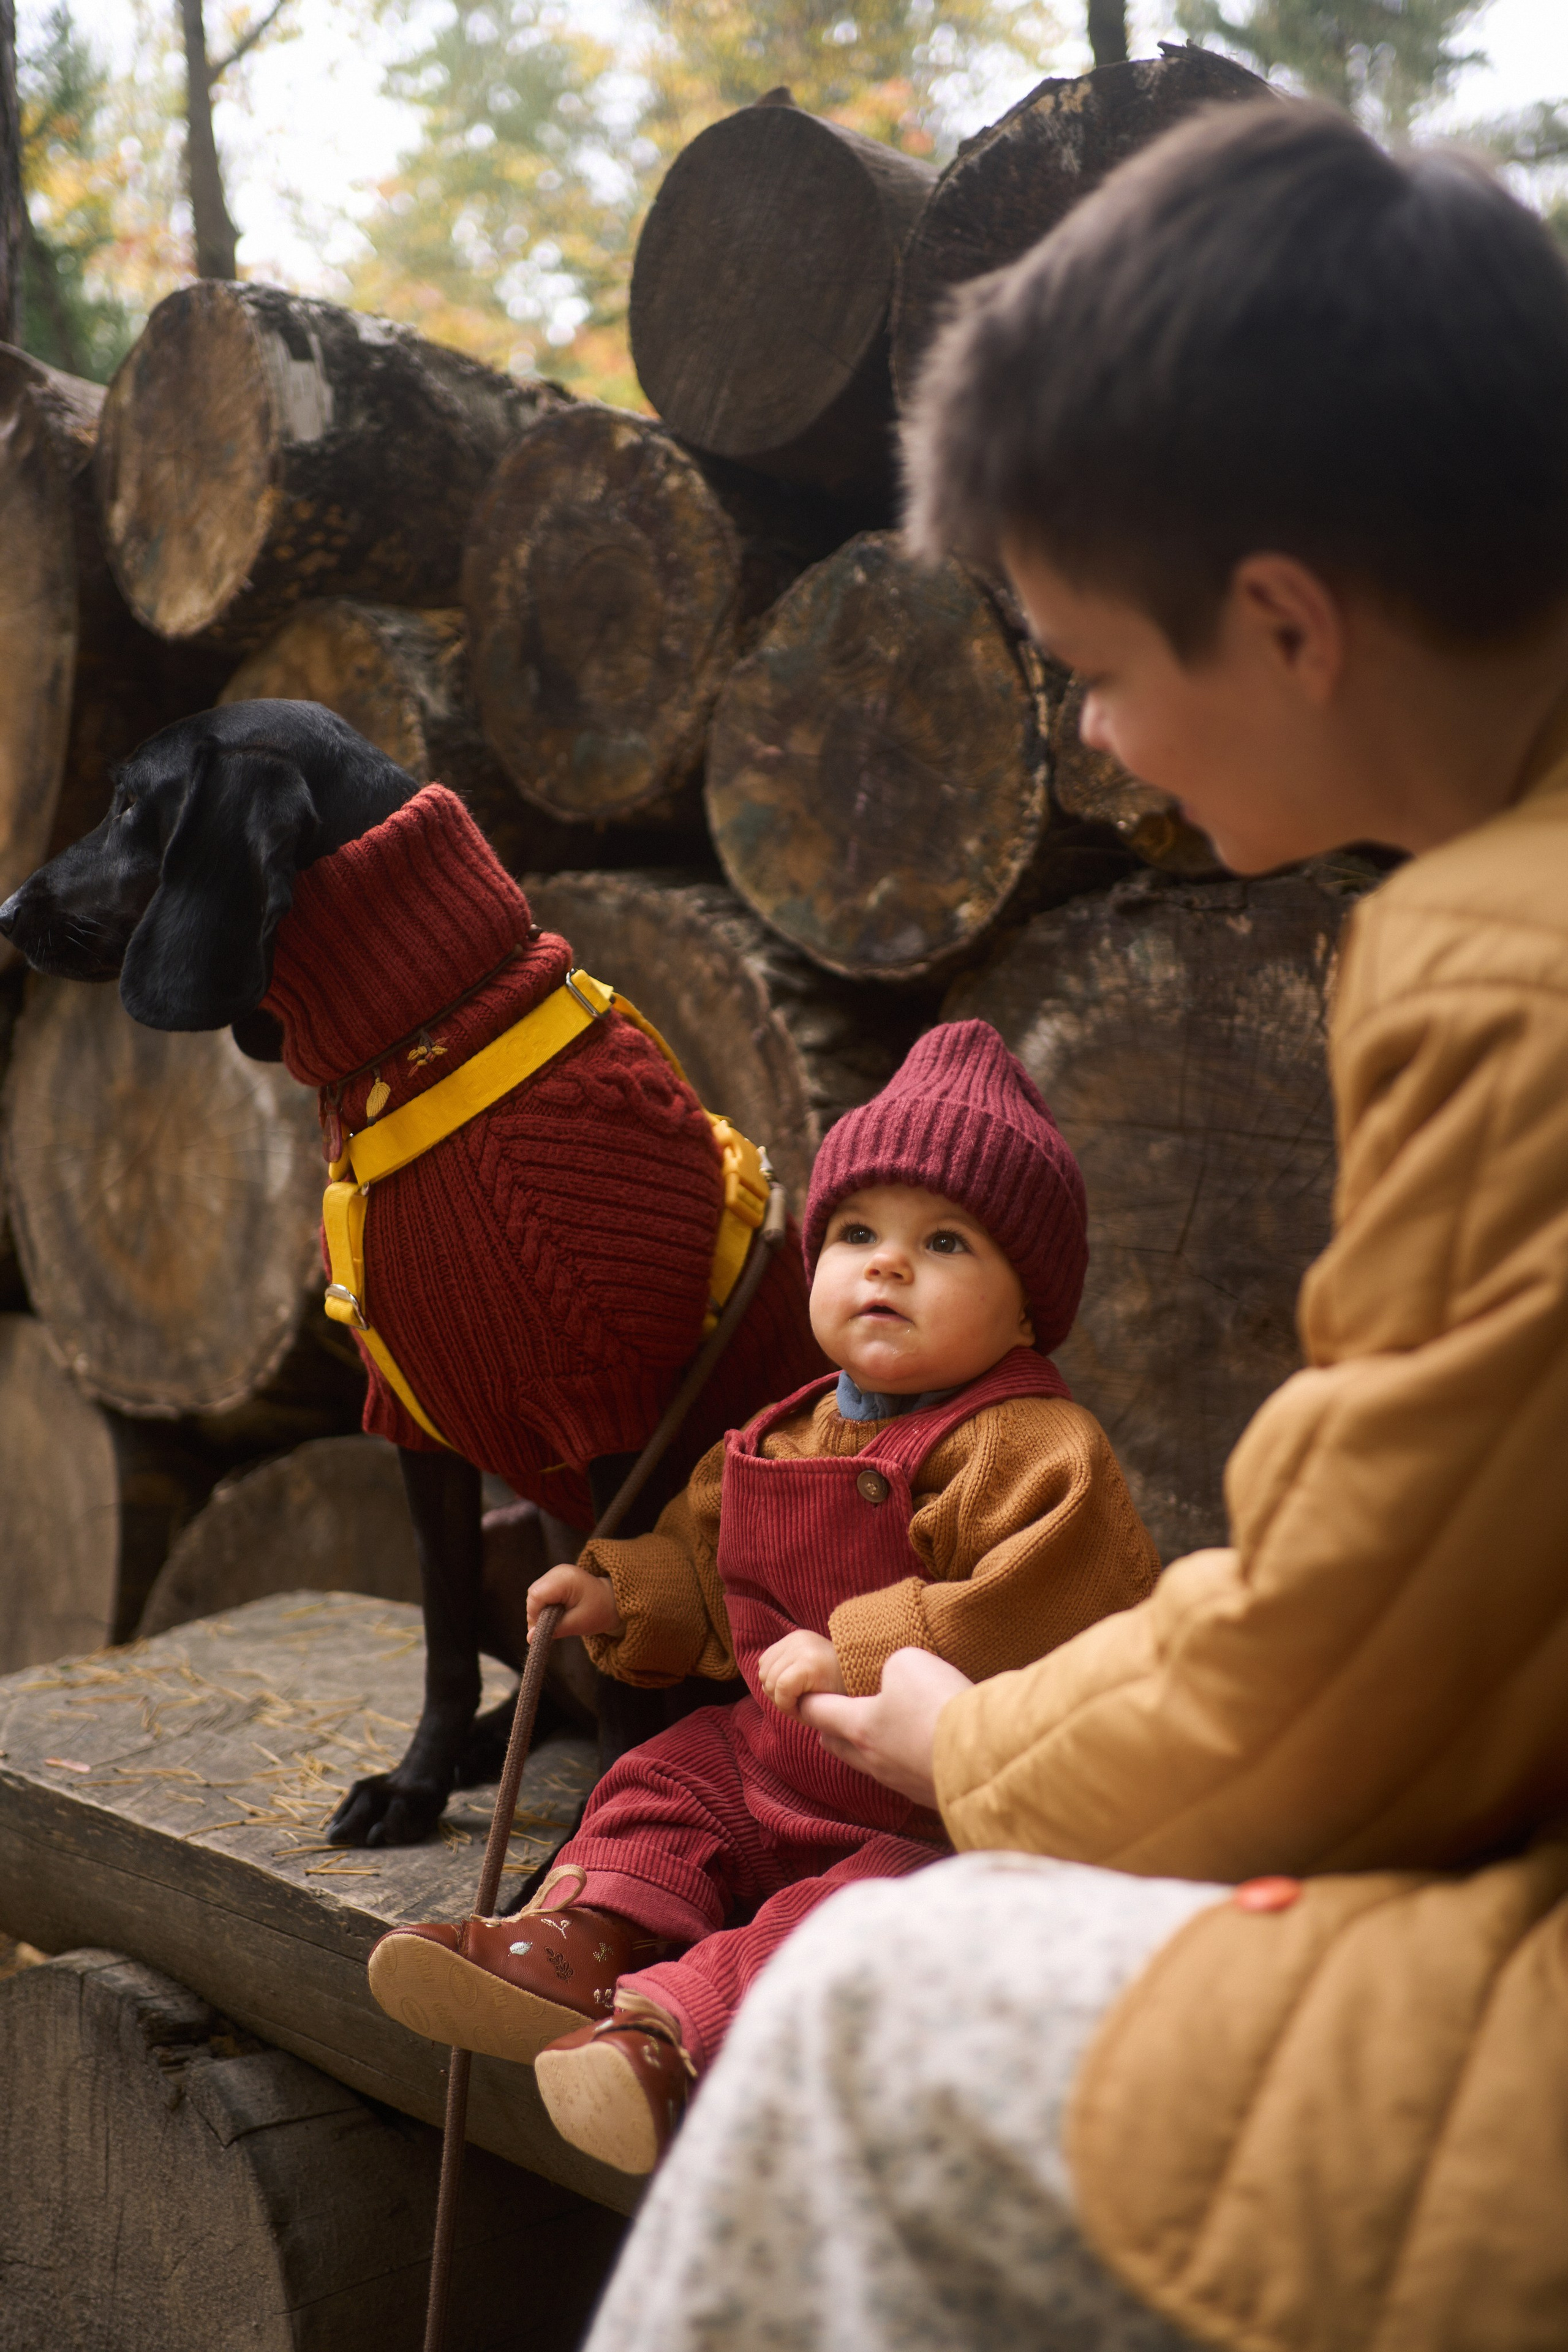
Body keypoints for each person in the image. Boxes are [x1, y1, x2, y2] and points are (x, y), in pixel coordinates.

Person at [571, 98, 1568, 2352]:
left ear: (1290, 622)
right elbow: (1399, 1569)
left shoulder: (1508, 967)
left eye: (1100, 668)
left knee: (876, 1998)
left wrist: (967, 1748)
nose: (1100, 738)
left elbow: (1339, 1674)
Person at [369, 1020, 1161, 2174]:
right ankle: (582, 1940)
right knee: (665, 1782)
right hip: (772, 1762)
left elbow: (1047, 1614)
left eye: (944, 1242)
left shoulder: (1034, 1448)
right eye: (857, 1234)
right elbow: (710, 1562)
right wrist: (620, 1593)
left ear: (1029, 1309)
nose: (887, 1266)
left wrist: (863, 1651)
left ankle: (677, 2038)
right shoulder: (787, 1429)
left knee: (858, 1920)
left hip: (937, 1810)